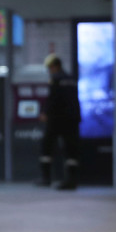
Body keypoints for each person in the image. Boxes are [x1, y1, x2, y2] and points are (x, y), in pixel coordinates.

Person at [39, 53, 82, 190]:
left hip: (57, 119)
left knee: (47, 146)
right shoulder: (71, 79)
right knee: (71, 150)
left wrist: (45, 113)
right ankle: (72, 180)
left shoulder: (55, 79)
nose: (49, 70)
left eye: (50, 67)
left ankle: (46, 178)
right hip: (72, 119)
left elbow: (53, 100)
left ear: (55, 66)